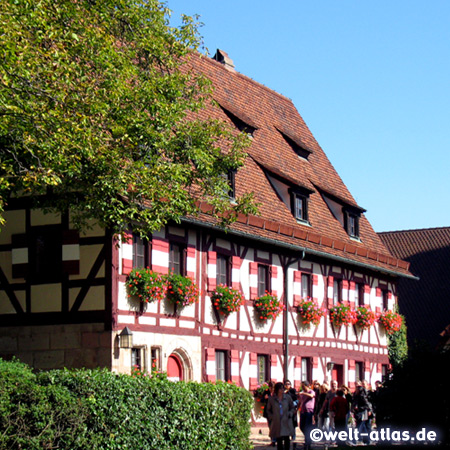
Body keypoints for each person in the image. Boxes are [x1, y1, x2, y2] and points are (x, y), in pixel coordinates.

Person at [267, 381, 295, 450]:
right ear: (277, 389)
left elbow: (292, 408)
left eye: (283, 388)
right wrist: (272, 417)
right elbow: (268, 410)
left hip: (286, 420)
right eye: (280, 389)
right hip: (277, 421)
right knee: (279, 439)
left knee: (286, 438)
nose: (282, 390)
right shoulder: (272, 399)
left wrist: (290, 413)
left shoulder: (287, 398)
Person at [352, 380, 372, 445]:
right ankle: (365, 440)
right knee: (361, 426)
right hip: (358, 413)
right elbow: (354, 403)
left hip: (362, 413)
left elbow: (367, 405)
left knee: (360, 426)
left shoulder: (362, 396)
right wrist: (353, 409)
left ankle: (359, 440)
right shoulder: (355, 395)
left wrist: (369, 410)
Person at [299, 380, 315, 450]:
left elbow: (312, 396)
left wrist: (304, 393)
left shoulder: (311, 391)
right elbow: (300, 401)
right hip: (303, 411)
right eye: (301, 386)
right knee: (302, 426)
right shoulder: (302, 393)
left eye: (303, 386)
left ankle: (307, 442)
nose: (302, 387)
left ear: (307, 385)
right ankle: (308, 438)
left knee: (307, 426)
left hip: (309, 411)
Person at [284, 380, 298, 447]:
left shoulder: (292, 390)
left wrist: (288, 392)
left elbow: (296, 399)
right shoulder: (283, 391)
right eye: (286, 384)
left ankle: (293, 436)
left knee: (293, 422)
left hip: (292, 409)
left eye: (288, 384)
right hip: (285, 410)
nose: (287, 385)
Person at [262, 381, 277, 446]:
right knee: (270, 426)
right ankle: (273, 441)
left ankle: (275, 440)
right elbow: (262, 400)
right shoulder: (266, 392)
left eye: (273, 388)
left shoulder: (276, 394)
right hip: (268, 412)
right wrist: (265, 398)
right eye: (271, 388)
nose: (272, 389)